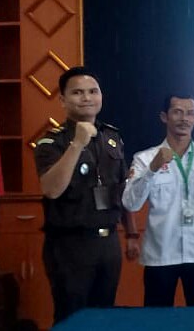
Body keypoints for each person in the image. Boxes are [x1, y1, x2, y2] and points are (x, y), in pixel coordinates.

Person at [34, 67, 139, 323]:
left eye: (93, 91)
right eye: (78, 93)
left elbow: (122, 187)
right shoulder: (51, 142)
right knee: (72, 318)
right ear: (62, 99)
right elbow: (51, 189)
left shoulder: (111, 136)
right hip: (70, 244)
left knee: (103, 317)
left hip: (108, 242)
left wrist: (132, 233)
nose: (86, 98)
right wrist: (77, 143)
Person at [122, 95, 194, 306]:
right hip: (161, 254)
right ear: (164, 117)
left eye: (190, 113)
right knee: (157, 319)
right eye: (177, 112)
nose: (184, 119)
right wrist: (152, 169)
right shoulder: (145, 158)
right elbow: (131, 203)